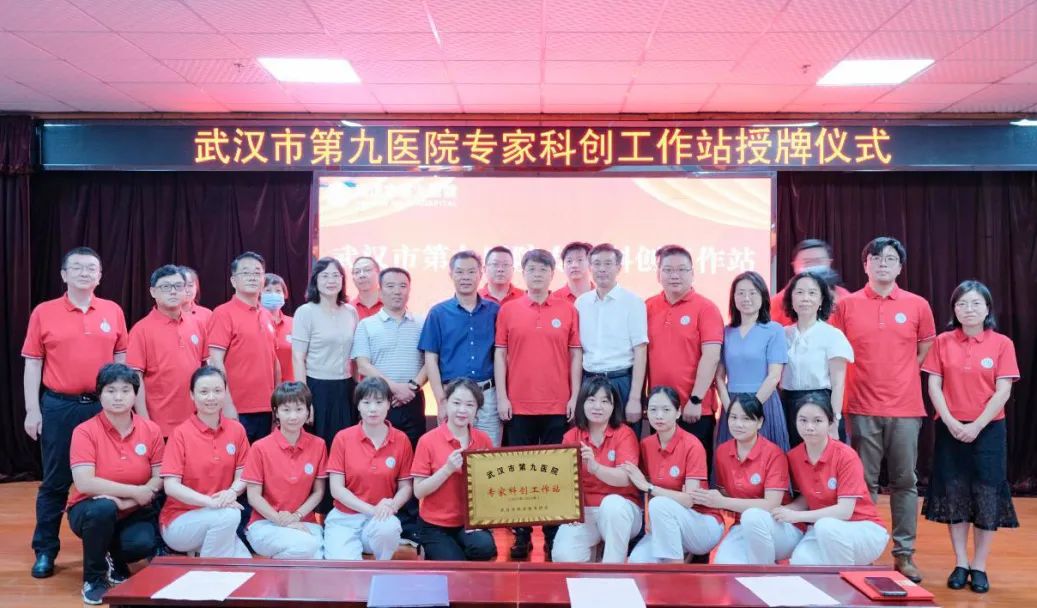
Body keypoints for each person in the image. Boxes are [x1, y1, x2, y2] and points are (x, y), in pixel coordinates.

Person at [830, 236, 935, 582]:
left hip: (906, 407)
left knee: (905, 482)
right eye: (876, 258)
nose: (883, 264)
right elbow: (836, 352)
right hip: (860, 406)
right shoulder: (847, 306)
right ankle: (865, 553)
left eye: (890, 259)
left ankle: (904, 555)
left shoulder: (917, 305)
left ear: (900, 266)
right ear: (865, 265)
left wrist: (902, 374)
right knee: (863, 484)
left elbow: (924, 349)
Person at [22, 246, 129, 579]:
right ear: (64, 275)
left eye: (91, 268)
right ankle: (45, 550)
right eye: (78, 267)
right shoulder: (44, 312)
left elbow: (121, 361)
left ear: (100, 276)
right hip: (59, 406)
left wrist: (124, 403)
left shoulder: (112, 310)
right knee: (55, 482)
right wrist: (32, 410)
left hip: (104, 407)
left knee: (110, 479)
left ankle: (111, 551)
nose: (85, 273)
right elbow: (33, 363)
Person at [921, 280, 1020, 594]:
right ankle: (961, 562)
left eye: (976, 303)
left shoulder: (1002, 343)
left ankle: (979, 565)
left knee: (986, 495)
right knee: (955, 493)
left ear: (987, 308)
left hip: (988, 430)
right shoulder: (943, 341)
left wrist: (976, 425)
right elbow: (934, 385)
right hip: (950, 428)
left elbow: (1003, 391)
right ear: (954, 309)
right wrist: (950, 420)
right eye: (962, 304)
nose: (969, 309)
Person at [495, 249, 582, 559]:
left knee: (554, 473)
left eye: (543, 270)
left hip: (558, 405)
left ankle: (552, 534)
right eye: (531, 269)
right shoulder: (508, 310)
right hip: (518, 406)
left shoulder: (568, 309)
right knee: (518, 473)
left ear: (551, 274)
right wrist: (502, 396)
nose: (537, 274)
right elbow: (500, 354)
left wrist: (574, 396)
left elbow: (575, 354)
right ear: (524, 272)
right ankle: (521, 534)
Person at [67, 363, 163, 605]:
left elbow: (159, 477)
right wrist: (134, 492)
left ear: (135, 394)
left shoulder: (151, 430)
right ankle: (94, 578)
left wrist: (127, 502)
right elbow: (85, 483)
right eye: (111, 390)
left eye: (125, 390)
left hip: (134, 509)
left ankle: (115, 558)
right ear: (99, 394)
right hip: (90, 509)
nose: (118, 397)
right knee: (103, 508)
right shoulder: (84, 431)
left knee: (142, 544)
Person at [774, 395, 889, 566]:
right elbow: (807, 497)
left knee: (826, 526)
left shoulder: (846, 456)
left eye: (817, 421)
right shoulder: (793, 457)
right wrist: (784, 511)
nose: (809, 427)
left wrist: (797, 516)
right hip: (821, 529)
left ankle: (849, 577)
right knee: (800, 562)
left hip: (861, 528)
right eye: (803, 420)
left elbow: (845, 511)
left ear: (830, 423)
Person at [645, 244, 724, 470]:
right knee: (660, 470)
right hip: (659, 409)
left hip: (694, 409)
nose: (674, 275)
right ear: (658, 274)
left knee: (695, 471)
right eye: (668, 270)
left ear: (692, 273)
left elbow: (711, 357)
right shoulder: (648, 306)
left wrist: (696, 399)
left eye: (681, 269)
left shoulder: (706, 308)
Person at [160, 366, 251, 559]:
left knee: (245, 563)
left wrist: (232, 492)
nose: (211, 397)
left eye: (217, 391)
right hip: (180, 521)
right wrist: (211, 502)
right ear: (192, 395)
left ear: (225, 393)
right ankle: (206, 572)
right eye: (204, 392)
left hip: (220, 517)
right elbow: (171, 486)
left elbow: (244, 474)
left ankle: (202, 559)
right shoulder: (180, 434)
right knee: (231, 515)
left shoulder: (236, 430)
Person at [626, 386, 723, 563]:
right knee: (637, 561)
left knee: (660, 504)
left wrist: (649, 487)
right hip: (666, 521)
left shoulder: (692, 445)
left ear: (678, 412)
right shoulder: (646, 445)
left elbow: (689, 500)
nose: (659, 416)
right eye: (653, 410)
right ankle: (678, 560)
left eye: (666, 410)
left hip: (701, 522)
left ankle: (676, 569)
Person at [704, 394, 802, 565]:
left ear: (760, 422)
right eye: (733, 417)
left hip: (779, 526)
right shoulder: (722, 452)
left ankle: (765, 573)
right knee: (724, 564)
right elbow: (724, 493)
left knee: (753, 516)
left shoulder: (774, 454)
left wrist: (722, 502)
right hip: (742, 525)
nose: (738, 424)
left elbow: (771, 504)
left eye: (746, 419)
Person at [553, 377, 641, 564]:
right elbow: (563, 482)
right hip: (585, 511)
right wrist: (570, 510)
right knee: (563, 556)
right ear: (582, 403)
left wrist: (596, 468)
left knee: (612, 506)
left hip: (622, 510)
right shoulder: (571, 437)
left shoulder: (625, 434)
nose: (597, 407)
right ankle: (594, 555)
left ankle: (612, 570)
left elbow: (625, 478)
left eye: (605, 401)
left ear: (614, 406)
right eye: (591, 400)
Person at [325, 377, 414, 560]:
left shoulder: (401, 440)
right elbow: (336, 489)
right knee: (343, 567)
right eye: (366, 403)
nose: (373, 409)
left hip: (380, 517)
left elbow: (406, 487)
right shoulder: (343, 438)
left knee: (389, 528)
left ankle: (382, 565)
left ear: (389, 404)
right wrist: (372, 509)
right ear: (358, 405)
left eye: (379, 402)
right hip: (345, 518)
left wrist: (391, 506)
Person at [420, 250, 502, 445]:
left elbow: (502, 355)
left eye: (471, 272)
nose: (465, 277)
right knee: (453, 451)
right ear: (451, 274)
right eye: (460, 272)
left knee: (489, 454)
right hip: (452, 396)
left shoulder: (495, 311)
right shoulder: (438, 313)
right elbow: (430, 358)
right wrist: (441, 401)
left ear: (481, 274)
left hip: (488, 395)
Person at [411, 379, 497, 561]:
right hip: (434, 524)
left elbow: (492, 486)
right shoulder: (427, 441)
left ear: (477, 409)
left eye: (470, 405)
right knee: (454, 564)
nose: (462, 410)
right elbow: (418, 491)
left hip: (468, 522)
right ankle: (434, 549)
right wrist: (447, 469)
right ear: (446, 404)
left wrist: (483, 520)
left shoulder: (483, 440)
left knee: (484, 547)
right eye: (456, 403)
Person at [242, 381, 327, 559]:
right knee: (307, 547)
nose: (293, 416)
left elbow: (318, 492)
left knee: (319, 556)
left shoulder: (318, 445)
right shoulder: (260, 448)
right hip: (265, 523)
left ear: (308, 411)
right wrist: (283, 521)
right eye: (286, 410)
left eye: (299, 409)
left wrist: (296, 516)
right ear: (276, 412)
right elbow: (253, 497)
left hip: (304, 521)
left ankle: (277, 574)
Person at [207, 251, 280, 444]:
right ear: (233, 281)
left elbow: (273, 361)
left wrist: (277, 403)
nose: (252, 277)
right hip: (237, 408)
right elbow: (215, 362)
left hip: (266, 407)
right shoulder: (223, 313)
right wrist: (227, 404)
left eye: (257, 273)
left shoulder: (267, 315)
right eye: (246, 272)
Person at [127, 265, 207, 438]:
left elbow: (205, 370)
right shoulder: (141, 330)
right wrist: (144, 421)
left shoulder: (197, 324)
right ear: (153, 292)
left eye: (178, 286)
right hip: (160, 424)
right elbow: (135, 379)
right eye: (166, 287)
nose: (173, 291)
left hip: (197, 420)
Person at [575, 243, 648, 431]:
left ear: (618, 267)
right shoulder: (581, 303)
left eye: (608, 263)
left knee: (625, 437)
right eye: (597, 264)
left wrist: (635, 398)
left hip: (620, 380)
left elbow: (640, 350)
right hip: (589, 380)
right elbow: (577, 351)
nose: (602, 269)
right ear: (590, 267)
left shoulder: (633, 302)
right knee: (590, 437)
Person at [352, 267, 427, 447]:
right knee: (377, 450)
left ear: (409, 290)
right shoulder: (366, 325)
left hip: (413, 398)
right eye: (390, 286)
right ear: (380, 291)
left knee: (413, 451)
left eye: (403, 286)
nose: (397, 291)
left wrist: (411, 388)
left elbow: (430, 362)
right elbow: (362, 365)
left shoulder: (423, 323)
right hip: (377, 400)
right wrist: (395, 388)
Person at [715, 271, 789, 451]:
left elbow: (774, 376)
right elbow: (719, 377)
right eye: (740, 293)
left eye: (752, 293)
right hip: (732, 403)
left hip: (763, 402)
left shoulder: (774, 330)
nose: (746, 298)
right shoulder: (725, 331)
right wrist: (731, 410)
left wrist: (751, 409)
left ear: (763, 296)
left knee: (766, 457)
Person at [779, 270, 854, 447]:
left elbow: (838, 384)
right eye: (799, 292)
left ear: (821, 300)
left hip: (821, 404)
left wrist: (834, 419)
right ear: (791, 298)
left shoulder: (832, 335)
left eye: (812, 293)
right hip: (787, 404)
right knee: (792, 456)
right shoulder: (782, 334)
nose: (805, 298)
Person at [292, 257, 360, 448]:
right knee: (319, 444)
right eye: (325, 276)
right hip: (316, 388)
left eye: (336, 276)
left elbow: (354, 356)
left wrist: (356, 387)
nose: (331, 280)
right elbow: (298, 358)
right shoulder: (305, 312)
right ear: (315, 280)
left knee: (345, 444)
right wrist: (303, 399)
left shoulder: (351, 312)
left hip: (346, 387)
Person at [770, 239, 851, 326]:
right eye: (807, 262)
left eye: (818, 261)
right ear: (794, 265)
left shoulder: (844, 296)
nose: (813, 266)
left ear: (829, 262)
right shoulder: (780, 301)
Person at [263, 273, 295, 382]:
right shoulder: (252, 323)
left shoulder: (294, 323)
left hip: (290, 388)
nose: (273, 294)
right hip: (261, 386)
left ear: (284, 295)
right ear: (259, 294)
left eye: (278, 291)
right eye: (268, 291)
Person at [352, 256, 383, 320]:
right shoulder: (349, 309)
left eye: (367, 270)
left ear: (379, 274)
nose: (362, 275)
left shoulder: (391, 305)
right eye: (357, 272)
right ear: (353, 279)